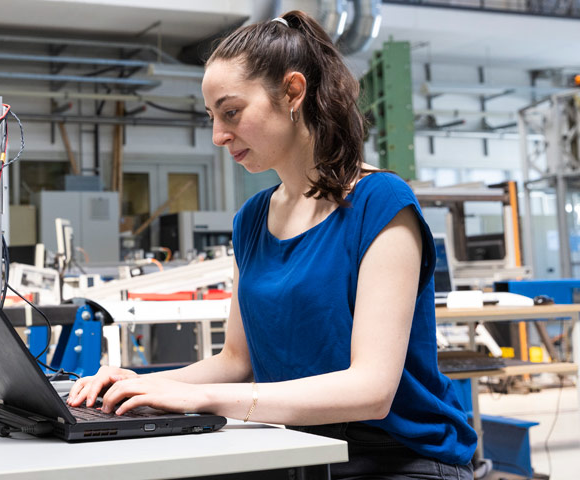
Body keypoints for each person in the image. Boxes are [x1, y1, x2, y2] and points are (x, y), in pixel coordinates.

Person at [68, 10, 477, 479]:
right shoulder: (253, 220)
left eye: (231, 112)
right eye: (212, 118)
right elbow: (236, 362)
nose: (219, 135)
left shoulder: (381, 203)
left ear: (293, 93)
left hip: (394, 457)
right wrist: (138, 383)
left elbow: (372, 389)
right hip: (297, 447)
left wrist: (202, 399)